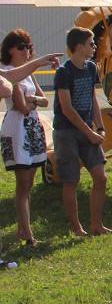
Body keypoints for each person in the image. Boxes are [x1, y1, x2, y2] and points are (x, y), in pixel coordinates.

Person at [53, 26, 112, 237]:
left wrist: (100, 126)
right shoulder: (63, 72)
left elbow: (92, 99)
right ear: (79, 47)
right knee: (71, 180)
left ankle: (96, 225)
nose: (95, 46)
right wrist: (89, 132)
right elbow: (67, 109)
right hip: (66, 132)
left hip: (87, 129)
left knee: (101, 178)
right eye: (91, 44)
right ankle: (77, 228)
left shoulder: (90, 68)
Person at [1, 30, 55, 247]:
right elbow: (21, 108)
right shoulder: (8, 72)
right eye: (21, 47)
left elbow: (44, 101)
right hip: (18, 129)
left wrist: (31, 99)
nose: (26, 51)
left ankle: (23, 229)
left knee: (29, 183)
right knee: (23, 183)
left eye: (28, 47)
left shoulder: (28, 72)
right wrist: (31, 102)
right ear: (10, 50)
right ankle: (27, 233)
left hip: (33, 127)